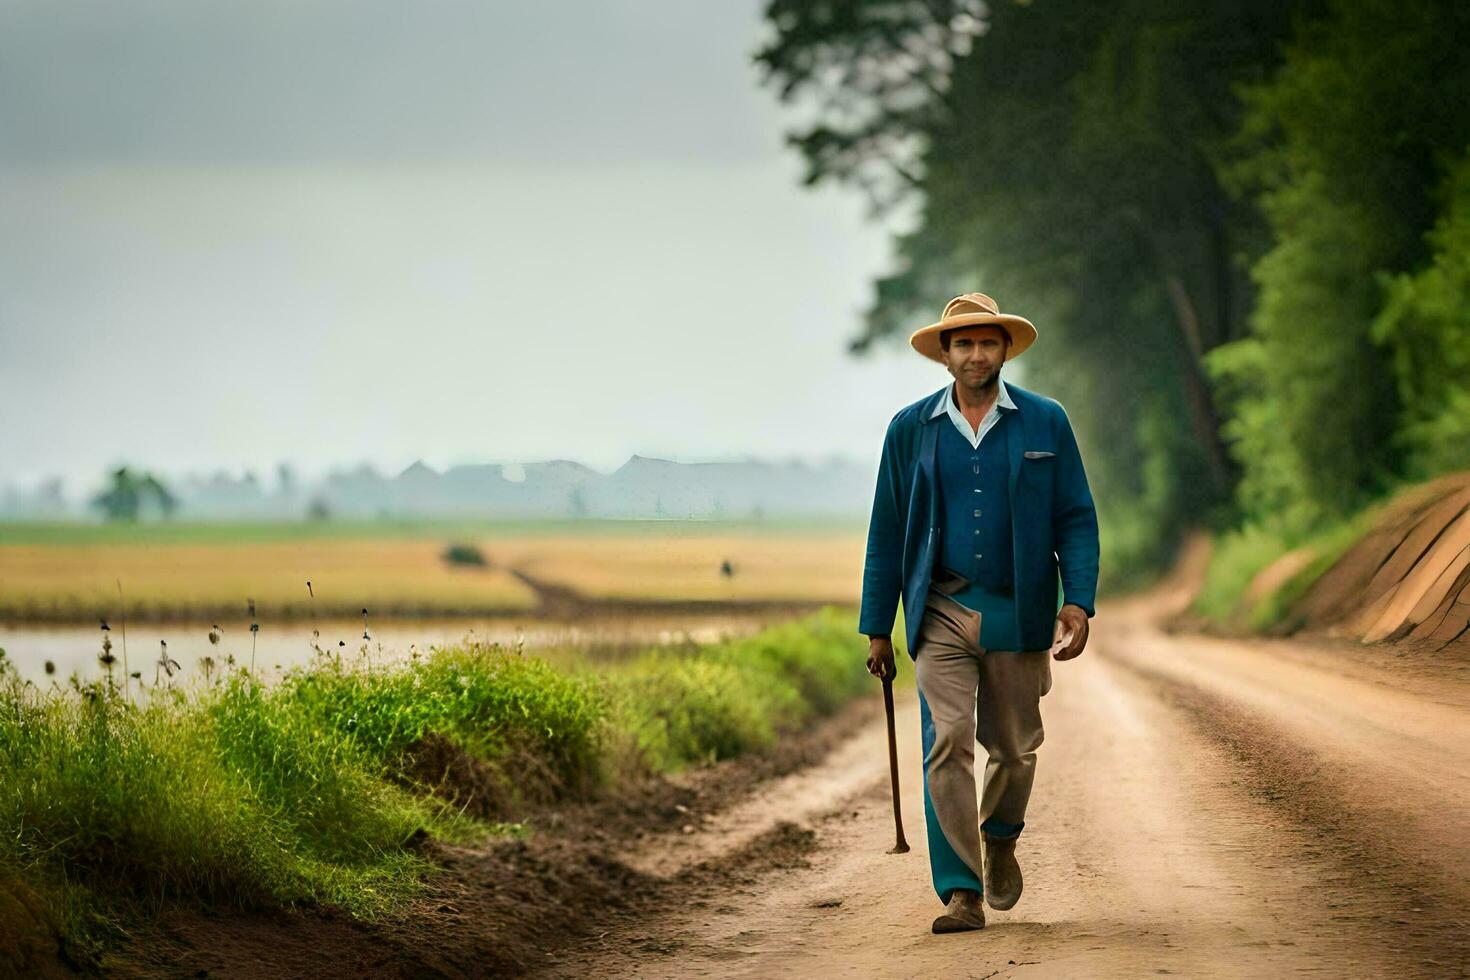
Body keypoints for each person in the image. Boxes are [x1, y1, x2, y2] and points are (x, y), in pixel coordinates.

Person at [858, 292, 1099, 933]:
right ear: (944, 354)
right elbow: (886, 531)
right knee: (946, 745)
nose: (974, 354)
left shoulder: (1045, 422)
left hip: (1018, 610)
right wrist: (877, 626)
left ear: (1003, 350)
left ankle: (1000, 838)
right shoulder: (910, 430)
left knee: (1015, 749)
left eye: (985, 342)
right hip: (939, 609)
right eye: (961, 343)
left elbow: (1075, 516)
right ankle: (961, 889)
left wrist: (1077, 600)